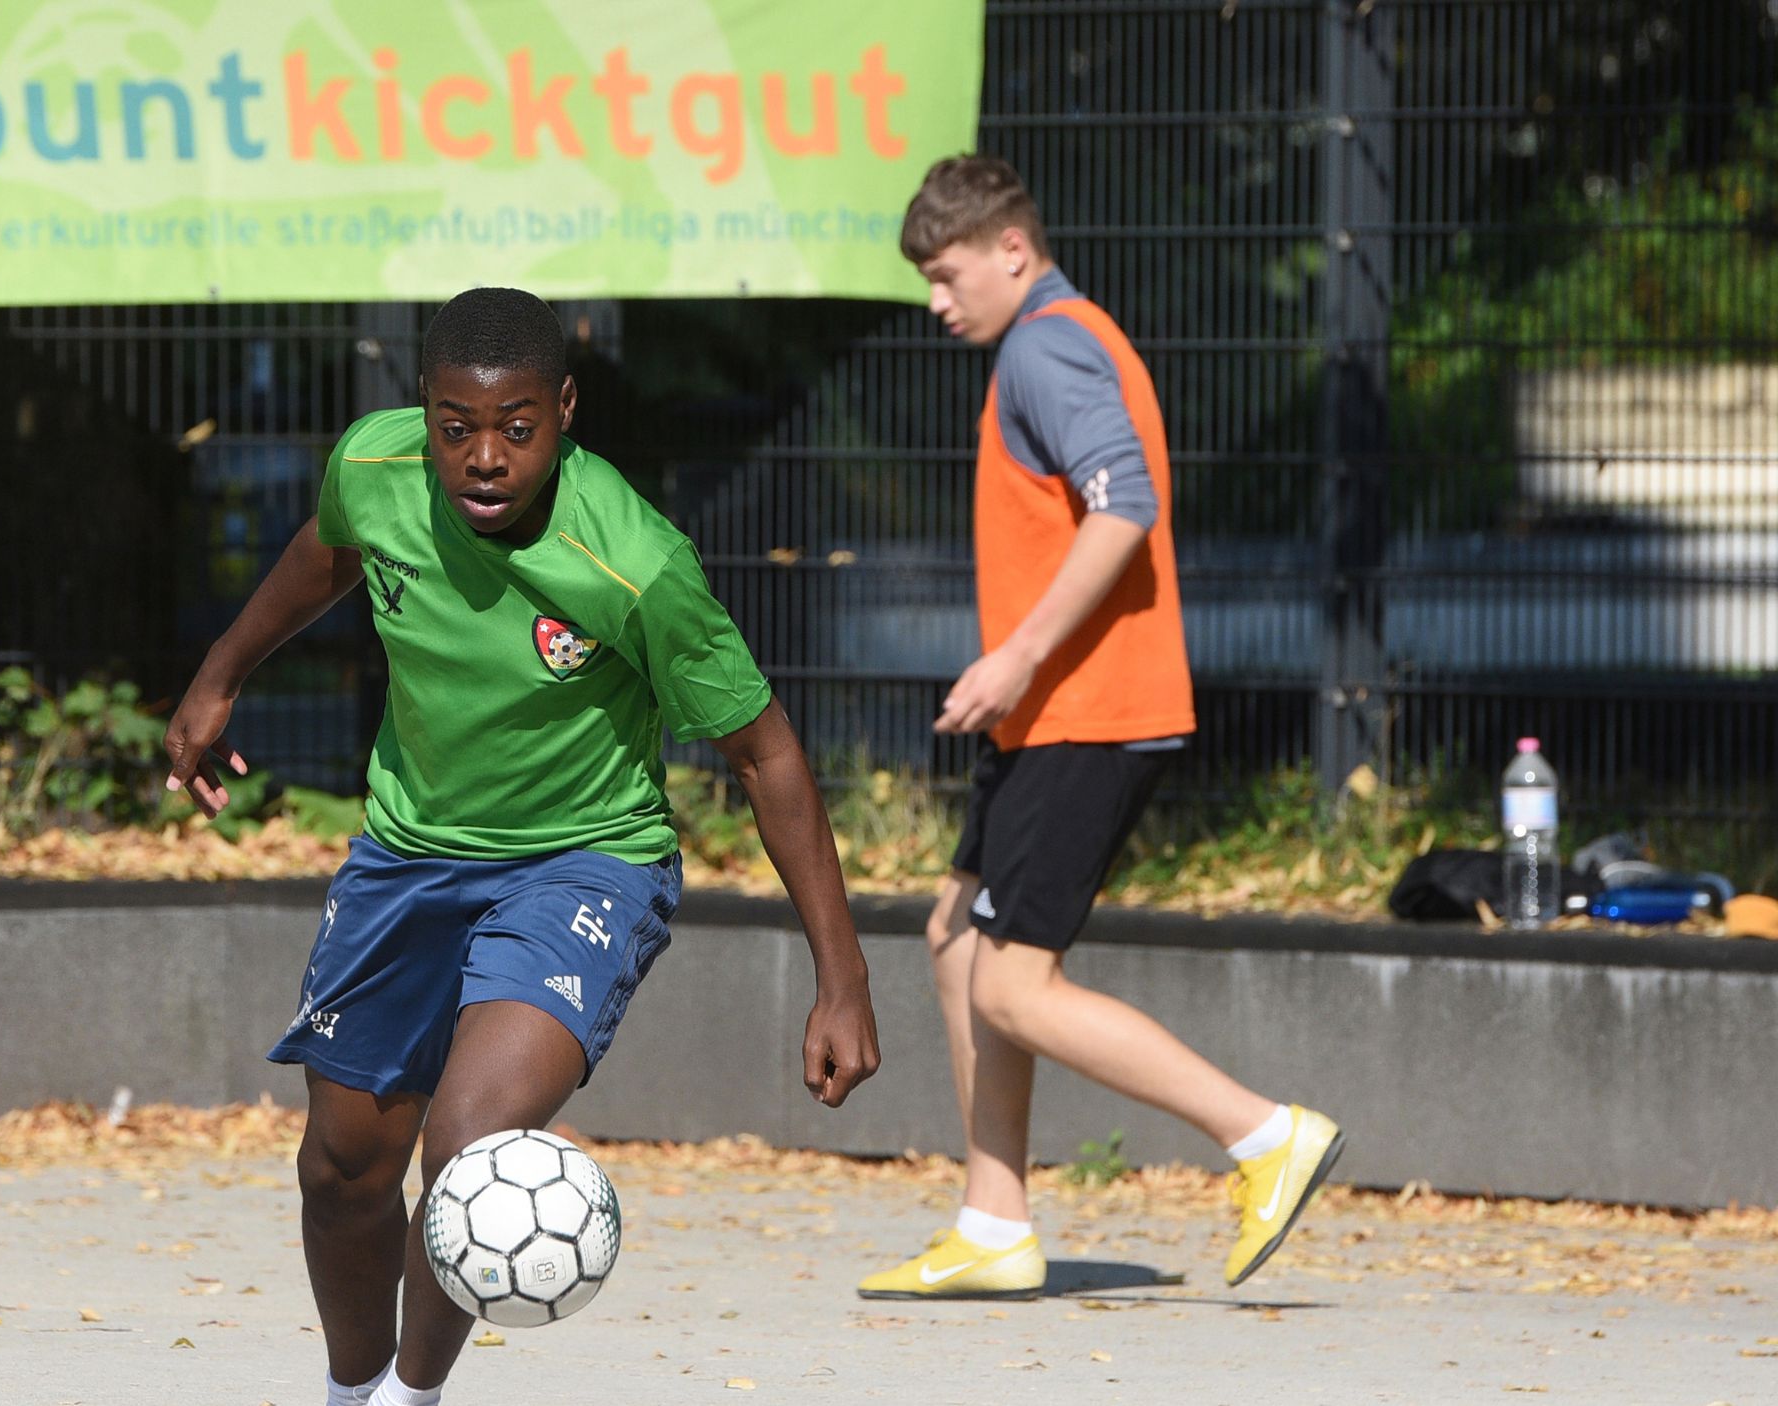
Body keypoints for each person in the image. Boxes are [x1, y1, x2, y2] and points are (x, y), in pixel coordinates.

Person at [163, 288, 882, 1406]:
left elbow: (765, 755)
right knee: (341, 1167)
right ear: (422, 413)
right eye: (455, 427)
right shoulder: (372, 467)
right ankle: (349, 1389)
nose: (484, 457)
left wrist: (841, 976)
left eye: (516, 428)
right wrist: (219, 674)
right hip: (407, 856)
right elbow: (325, 553)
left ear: (563, 410)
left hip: (582, 861)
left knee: (469, 1146)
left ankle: (412, 1394)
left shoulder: (634, 560)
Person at [856, 155, 1341, 1303]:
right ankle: (991, 1218)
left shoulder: (1045, 342)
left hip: (1087, 709)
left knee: (1015, 986)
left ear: (1010, 251)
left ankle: (1263, 1133)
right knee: (956, 939)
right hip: (1047, 713)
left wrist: (1017, 652)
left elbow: (1124, 502)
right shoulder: (1054, 338)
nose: (934, 298)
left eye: (944, 271)